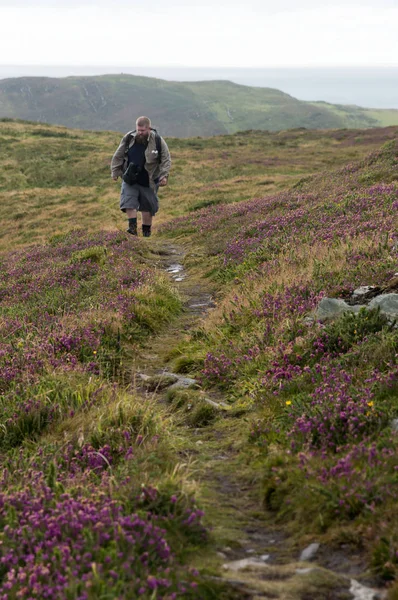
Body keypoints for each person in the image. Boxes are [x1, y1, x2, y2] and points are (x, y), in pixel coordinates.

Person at [111, 116, 171, 237]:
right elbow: (118, 154)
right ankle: (132, 231)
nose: (140, 132)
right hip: (130, 178)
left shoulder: (158, 140)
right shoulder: (129, 137)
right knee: (128, 202)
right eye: (138, 130)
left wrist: (164, 176)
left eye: (142, 130)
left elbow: (166, 159)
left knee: (147, 208)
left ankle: (146, 234)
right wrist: (115, 171)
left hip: (149, 180)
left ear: (148, 128)